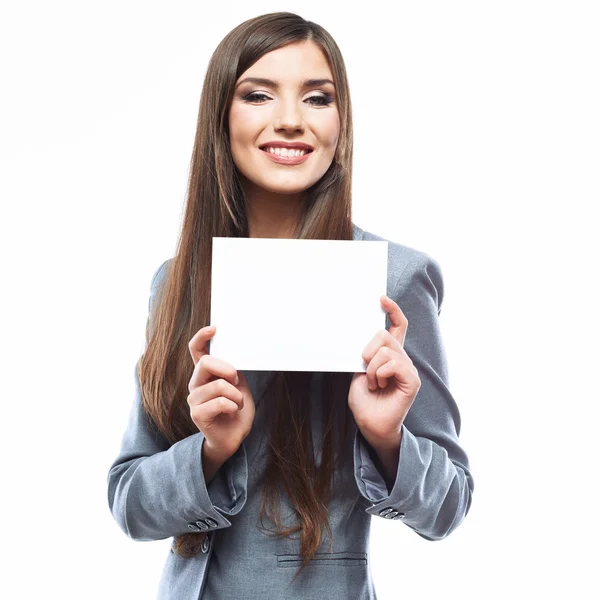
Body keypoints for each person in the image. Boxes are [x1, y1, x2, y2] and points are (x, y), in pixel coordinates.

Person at [106, 11, 474, 600]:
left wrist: (388, 440)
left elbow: (448, 507)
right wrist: (210, 450)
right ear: (221, 118)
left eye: (317, 98)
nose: (290, 121)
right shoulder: (177, 281)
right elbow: (130, 504)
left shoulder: (395, 277)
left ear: (341, 122)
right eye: (258, 94)